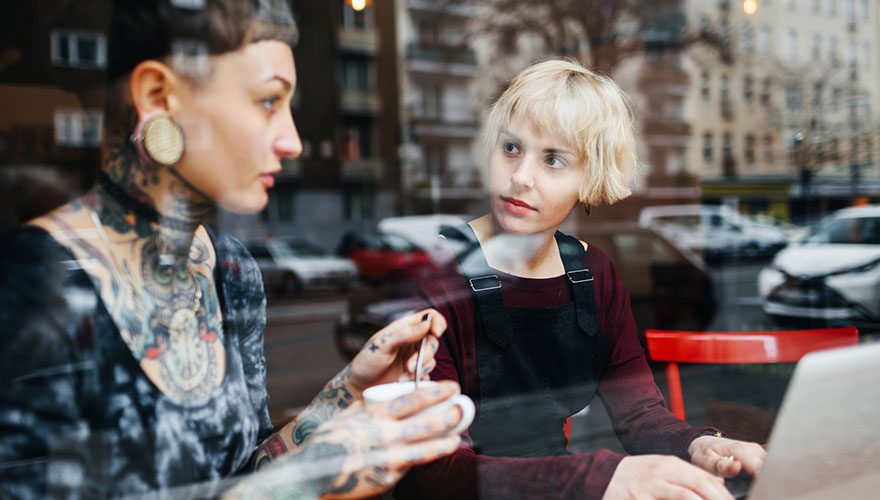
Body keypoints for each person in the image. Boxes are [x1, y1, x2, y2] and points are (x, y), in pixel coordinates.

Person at [0, 1, 465, 498]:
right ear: (158, 96)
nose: (293, 142)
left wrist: (347, 393)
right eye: (268, 101)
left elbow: (246, 469)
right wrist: (316, 476)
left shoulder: (231, 270)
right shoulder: (36, 283)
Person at [393, 59, 767, 500]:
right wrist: (600, 478)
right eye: (511, 148)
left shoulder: (594, 274)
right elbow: (437, 473)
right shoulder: (432, 274)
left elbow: (640, 415)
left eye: (553, 159)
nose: (520, 177)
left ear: (589, 177)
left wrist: (700, 444)